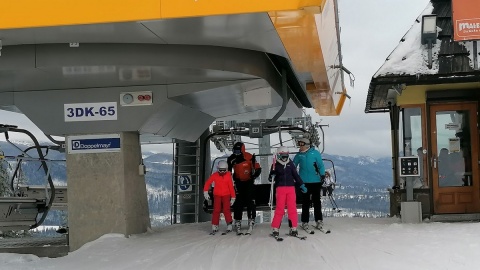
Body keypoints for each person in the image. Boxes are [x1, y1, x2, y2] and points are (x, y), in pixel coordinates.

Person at [268, 146, 307, 237]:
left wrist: (301, 184)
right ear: (278, 155)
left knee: (292, 208)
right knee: (280, 209)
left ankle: (293, 228)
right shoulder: (275, 165)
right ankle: (275, 228)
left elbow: (296, 175)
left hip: (291, 188)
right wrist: (272, 175)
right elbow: (270, 179)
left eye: (286, 155)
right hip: (280, 188)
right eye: (282, 156)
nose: (284, 158)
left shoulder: (290, 164)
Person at [227, 141, 261, 234]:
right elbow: (229, 171)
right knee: (238, 202)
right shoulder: (232, 159)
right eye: (235, 151)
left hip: (249, 181)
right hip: (238, 182)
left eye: (238, 151)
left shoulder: (249, 157)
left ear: (242, 150)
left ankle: (251, 219)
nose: (236, 153)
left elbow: (257, 167)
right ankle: (238, 220)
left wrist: (256, 173)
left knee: (250, 201)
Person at [293, 137, 326, 230]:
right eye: (299, 144)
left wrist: (322, 175)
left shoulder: (315, 153)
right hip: (304, 182)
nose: (300, 146)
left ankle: (319, 220)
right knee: (305, 203)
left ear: (307, 145)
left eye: (302, 144)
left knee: (316, 202)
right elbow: (293, 166)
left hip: (316, 181)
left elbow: (320, 165)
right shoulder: (299, 155)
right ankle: (304, 221)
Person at [203, 160, 236, 234]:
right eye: (220, 170)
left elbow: (231, 187)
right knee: (216, 210)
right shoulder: (215, 175)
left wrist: (233, 197)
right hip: (217, 195)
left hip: (226, 195)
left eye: (223, 170)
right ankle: (215, 224)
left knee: (226, 209)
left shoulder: (228, 176)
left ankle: (229, 224)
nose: (221, 172)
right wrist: (205, 192)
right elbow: (208, 183)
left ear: (226, 169)